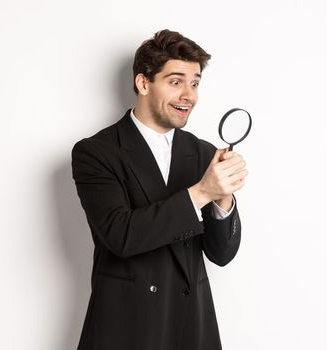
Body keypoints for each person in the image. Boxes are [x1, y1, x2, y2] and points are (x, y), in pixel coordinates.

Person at [71, 29, 248, 350]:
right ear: (143, 83)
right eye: (176, 81)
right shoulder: (96, 152)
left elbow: (222, 254)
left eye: (195, 83)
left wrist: (223, 197)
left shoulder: (204, 153)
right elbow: (121, 236)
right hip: (125, 327)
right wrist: (203, 192)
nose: (189, 95)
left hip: (191, 327)